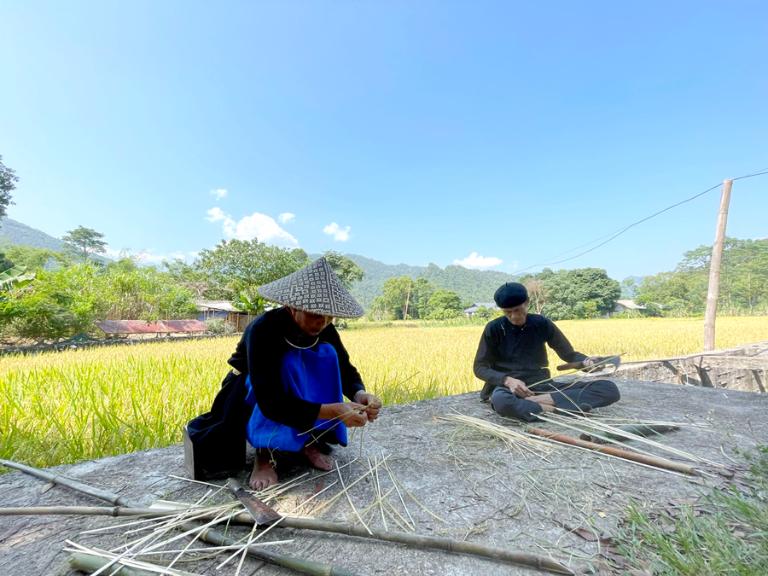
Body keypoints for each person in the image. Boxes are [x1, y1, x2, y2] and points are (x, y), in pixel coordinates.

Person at [186, 257, 381, 490]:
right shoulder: (263, 330)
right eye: (315, 314)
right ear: (292, 307)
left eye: (329, 316)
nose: (322, 322)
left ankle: (308, 440)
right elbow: (271, 400)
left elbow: (344, 367)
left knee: (326, 356)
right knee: (288, 364)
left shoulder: (325, 328)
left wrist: (359, 394)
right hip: (252, 389)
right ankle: (266, 451)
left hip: (296, 390)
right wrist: (334, 412)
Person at [473, 282, 620, 422]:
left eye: (517, 310)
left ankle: (533, 403)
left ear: (527, 303)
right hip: (509, 390)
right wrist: (507, 380)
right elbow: (479, 367)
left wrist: (587, 361)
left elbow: (569, 355)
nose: (514, 316)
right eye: (508, 312)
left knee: (608, 389)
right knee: (502, 401)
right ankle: (556, 410)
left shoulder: (542, 323)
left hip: (542, 386)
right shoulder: (494, 328)